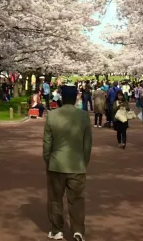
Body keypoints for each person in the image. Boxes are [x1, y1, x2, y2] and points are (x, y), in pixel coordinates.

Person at [43, 85, 92, 241]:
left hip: (56, 163)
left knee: (55, 198)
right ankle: (77, 230)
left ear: (62, 97)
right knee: (77, 199)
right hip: (77, 163)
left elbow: (47, 143)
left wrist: (47, 159)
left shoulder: (52, 115)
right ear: (76, 97)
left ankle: (57, 229)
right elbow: (87, 144)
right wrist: (84, 161)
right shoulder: (83, 116)